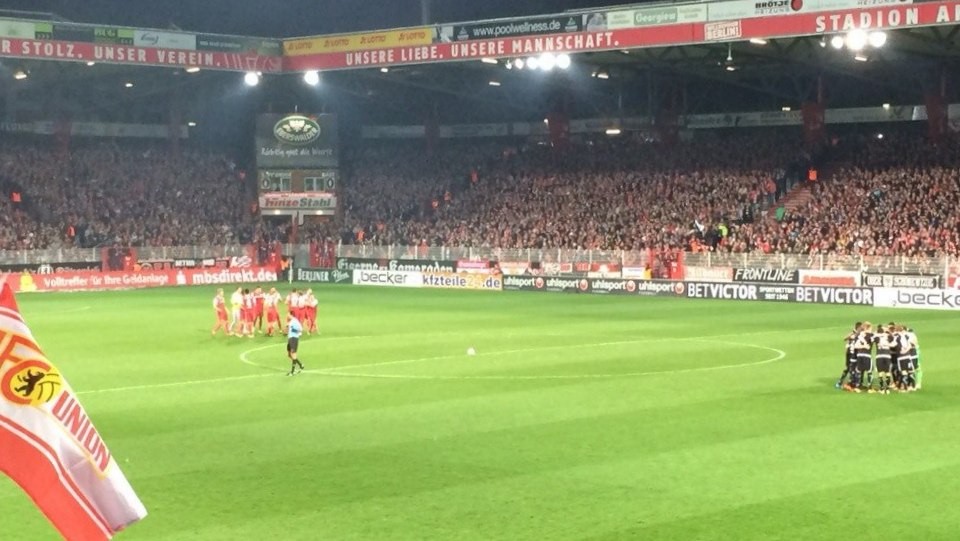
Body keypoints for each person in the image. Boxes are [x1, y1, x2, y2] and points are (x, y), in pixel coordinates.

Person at [836, 322, 860, 389]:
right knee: (848, 368)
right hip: (850, 354)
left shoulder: (860, 335)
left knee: (855, 368)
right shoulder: (852, 334)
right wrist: (853, 332)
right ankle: (840, 382)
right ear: (857, 328)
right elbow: (845, 338)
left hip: (856, 354)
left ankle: (853, 383)